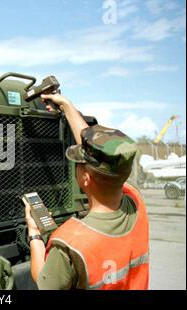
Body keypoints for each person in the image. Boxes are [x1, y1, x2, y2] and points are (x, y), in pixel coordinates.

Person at [24, 93, 149, 290]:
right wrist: (66, 105)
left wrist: (34, 234)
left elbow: (43, 281)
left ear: (85, 178)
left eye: (79, 162)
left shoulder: (70, 242)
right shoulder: (136, 202)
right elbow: (109, 159)